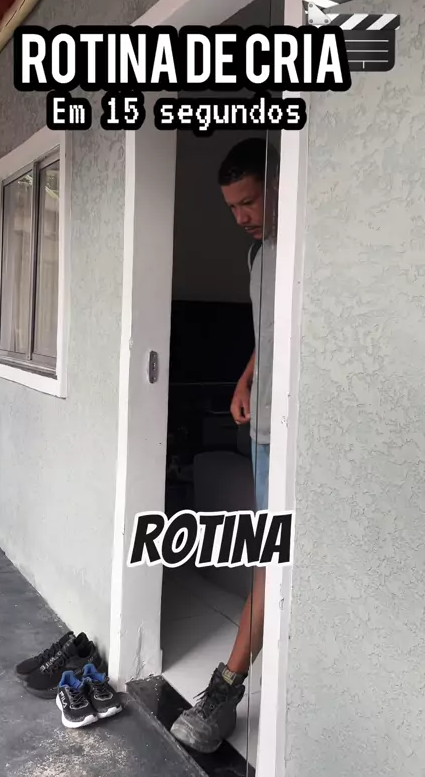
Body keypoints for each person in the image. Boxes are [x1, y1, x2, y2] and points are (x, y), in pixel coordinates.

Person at [170, 137, 279, 755]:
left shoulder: (303, 246)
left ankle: (227, 686)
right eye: (233, 207)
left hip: (294, 434)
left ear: (278, 185)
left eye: (250, 201)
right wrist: (244, 379)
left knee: (272, 555)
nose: (241, 217)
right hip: (262, 431)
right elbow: (269, 332)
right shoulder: (258, 255)